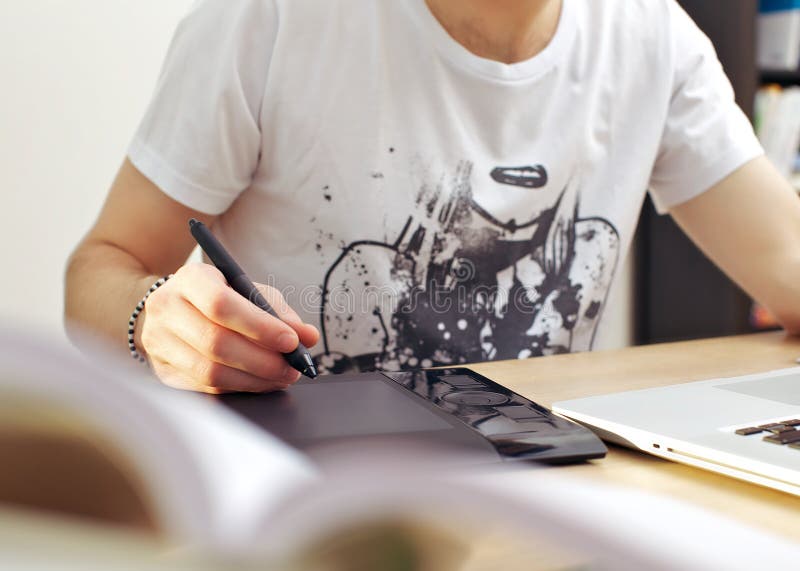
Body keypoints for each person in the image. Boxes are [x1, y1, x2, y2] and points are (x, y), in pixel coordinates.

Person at [65, 0, 800, 394]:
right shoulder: (269, 19)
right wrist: (154, 319)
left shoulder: (653, 38)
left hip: (538, 494)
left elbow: (788, 264)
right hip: (303, 497)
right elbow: (99, 270)